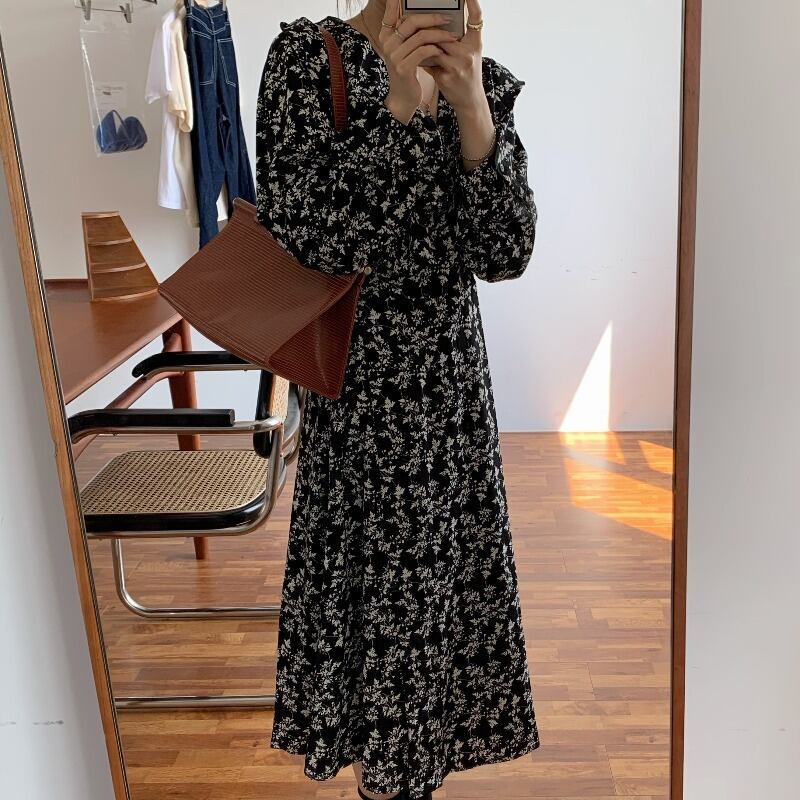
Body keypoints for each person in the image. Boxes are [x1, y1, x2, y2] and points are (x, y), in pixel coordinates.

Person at [254, 1, 540, 798]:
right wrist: (399, 107)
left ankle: (407, 782)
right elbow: (314, 240)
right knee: (374, 629)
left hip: (449, 407)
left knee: (435, 632)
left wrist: (472, 109)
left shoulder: (480, 81)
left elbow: (506, 250)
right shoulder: (307, 65)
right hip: (358, 408)